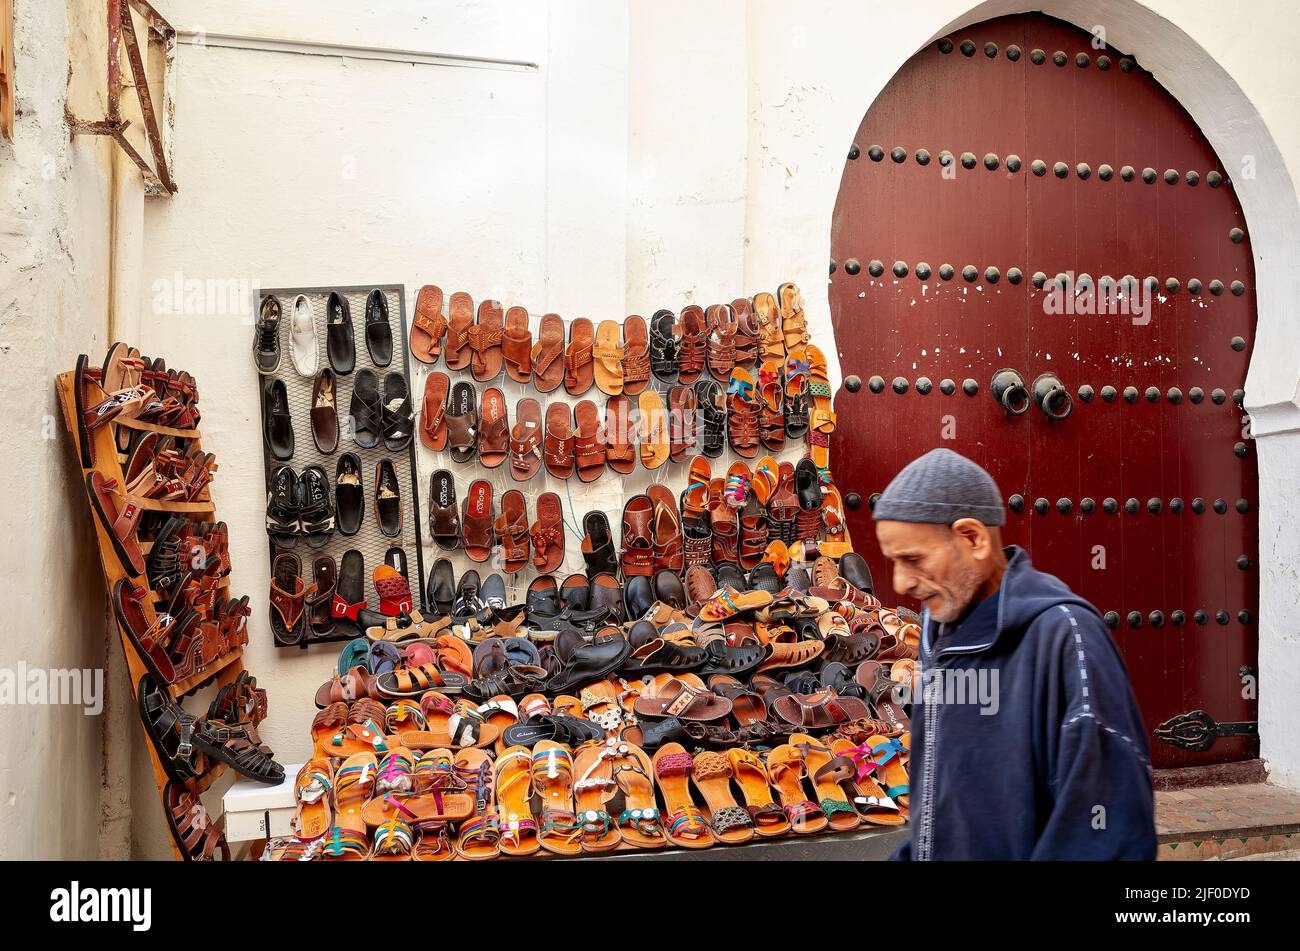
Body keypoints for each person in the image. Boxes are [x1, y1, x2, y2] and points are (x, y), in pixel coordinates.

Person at [872, 448, 1155, 860]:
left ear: (973, 538)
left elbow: (1105, 833)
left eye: (913, 559)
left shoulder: (1066, 638)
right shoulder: (942, 628)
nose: (900, 582)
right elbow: (945, 799)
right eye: (893, 561)